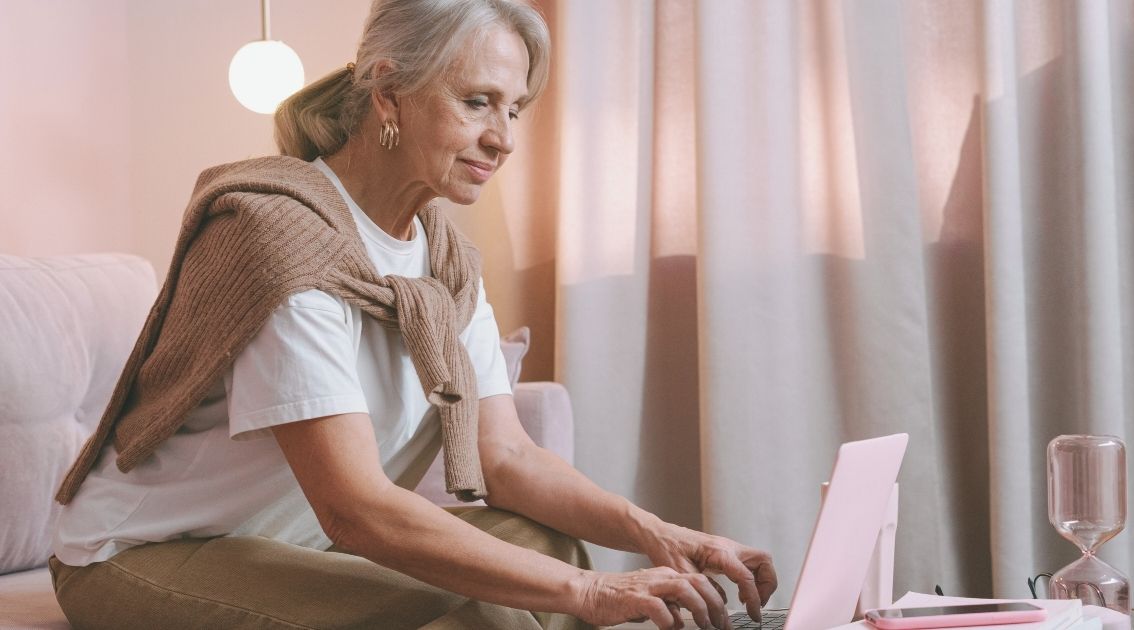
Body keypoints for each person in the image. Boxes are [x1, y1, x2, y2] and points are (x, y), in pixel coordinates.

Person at [49, 1, 776, 628]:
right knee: (471, 605)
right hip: (146, 553)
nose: (505, 138)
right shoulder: (281, 236)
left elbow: (509, 458)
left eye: (513, 108)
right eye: (477, 101)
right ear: (389, 92)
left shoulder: (445, 262)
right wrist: (589, 595)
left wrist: (663, 538)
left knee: (546, 543)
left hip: (296, 543)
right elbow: (356, 510)